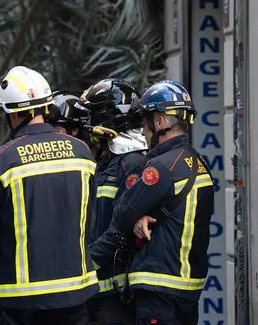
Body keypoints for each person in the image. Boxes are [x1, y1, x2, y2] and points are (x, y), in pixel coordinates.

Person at [0, 66, 99, 325]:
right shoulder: (82, 152)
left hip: (20, 299)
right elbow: (90, 221)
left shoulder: (2, 160)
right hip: (75, 294)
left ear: (11, 112)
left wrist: (8, 263)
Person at [90, 80, 215, 324]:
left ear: (159, 122)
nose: (143, 132)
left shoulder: (160, 167)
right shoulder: (199, 164)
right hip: (189, 289)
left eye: (145, 123)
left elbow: (123, 213)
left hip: (160, 289)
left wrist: (135, 217)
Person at [79, 79, 147, 324]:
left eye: (92, 117)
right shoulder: (106, 162)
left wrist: (85, 263)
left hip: (115, 299)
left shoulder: (132, 164)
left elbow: (122, 229)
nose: (88, 125)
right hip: (94, 292)